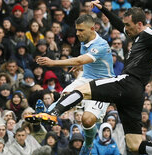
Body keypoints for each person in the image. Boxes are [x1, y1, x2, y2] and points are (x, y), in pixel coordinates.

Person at [30, 1, 152, 154]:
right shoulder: (137, 35)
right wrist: (104, 9)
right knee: (135, 144)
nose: (125, 29)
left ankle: (53, 113)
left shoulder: (149, 34)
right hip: (135, 94)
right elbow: (118, 24)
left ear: (139, 24)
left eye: (128, 26)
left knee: (81, 89)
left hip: (128, 82)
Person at [29, 14, 114, 154]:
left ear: (92, 28)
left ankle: (88, 143)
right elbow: (86, 61)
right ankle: (48, 113)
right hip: (86, 78)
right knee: (67, 95)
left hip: (103, 85)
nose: (77, 33)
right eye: (77, 30)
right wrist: (81, 66)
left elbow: (81, 60)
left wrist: (53, 62)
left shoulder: (101, 45)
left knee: (87, 120)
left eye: (81, 30)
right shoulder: (84, 39)